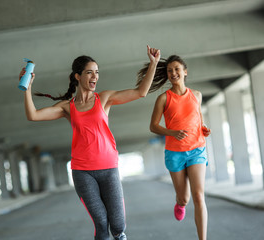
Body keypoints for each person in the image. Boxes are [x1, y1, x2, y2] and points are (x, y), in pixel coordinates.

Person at [19, 45, 160, 240]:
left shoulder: (104, 98)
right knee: (102, 224)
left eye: (97, 72)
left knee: (118, 226)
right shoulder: (67, 107)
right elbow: (33, 115)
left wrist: (153, 64)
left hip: (109, 168)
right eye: (89, 72)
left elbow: (141, 92)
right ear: (77, 76)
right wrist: (26, 87)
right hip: (83, 172)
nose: (95, 77)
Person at [137, 55, 211, 240]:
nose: (173, 73)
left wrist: (203, 129)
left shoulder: (197, 95)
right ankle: (180, 204)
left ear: (185, 72)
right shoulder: (163, 98)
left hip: (197, 149)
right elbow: (153, 126)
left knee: (198, 196)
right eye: (170, 71)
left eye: (177, 69)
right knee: (184, 198)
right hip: (175, 153)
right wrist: (172, 132)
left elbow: (198, 118)